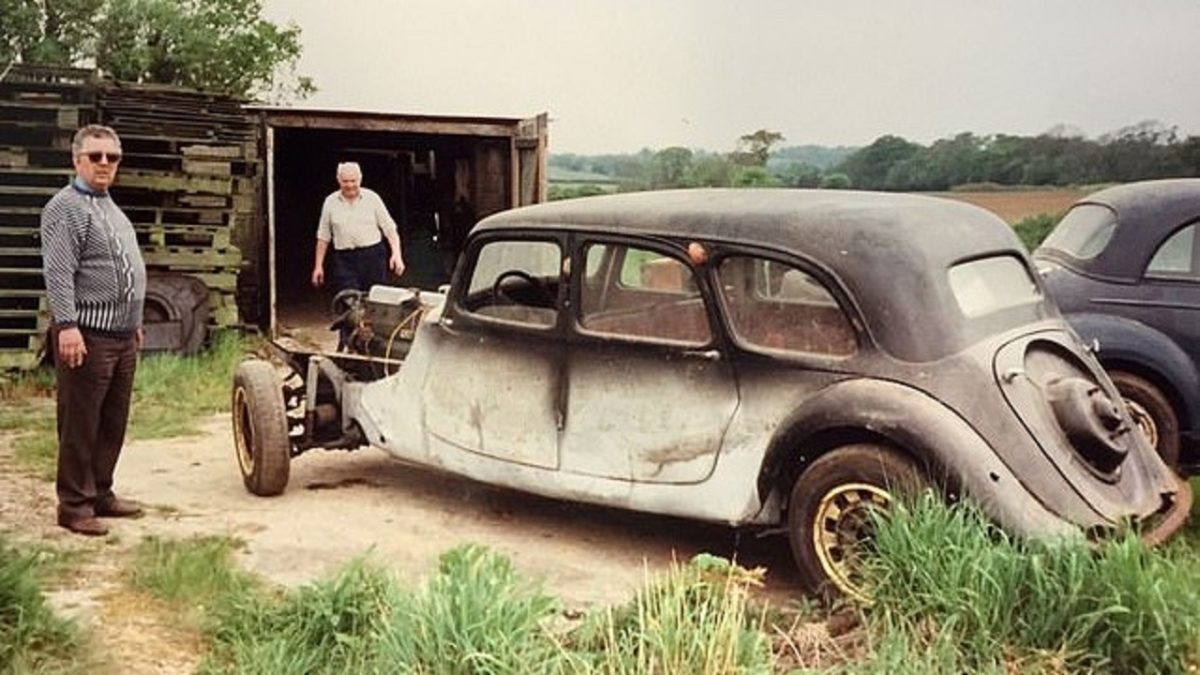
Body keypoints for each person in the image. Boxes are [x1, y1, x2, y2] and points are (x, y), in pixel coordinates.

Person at [40, 124, 147, 537]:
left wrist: (134, 322)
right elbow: (60, 272)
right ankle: (73, 505)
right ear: (77, 160)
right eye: (96, 156)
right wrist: (67, 325)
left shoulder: (109, 206)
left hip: (122, 335)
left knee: (112, 420)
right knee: (80, 421)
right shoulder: (65, 207)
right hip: (88, 334)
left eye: (112, 157)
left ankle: (101, 491)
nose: (105, 164)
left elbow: (125, 267)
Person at [310, 162, 405, 293]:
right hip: (344, 259)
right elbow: (323, 237)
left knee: (374, 297)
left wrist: (396, 254)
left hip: (372, 257)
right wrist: (318, 266)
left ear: (360, 179)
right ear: (338, 180)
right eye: (345, 181)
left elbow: (390, 229)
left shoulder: (373, 198)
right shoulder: (330, 202)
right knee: (349, 298)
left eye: (353, 181)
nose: (349, 185)